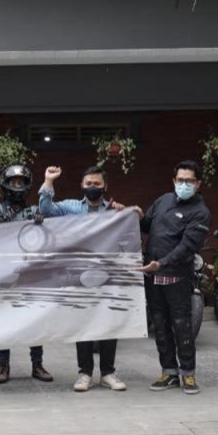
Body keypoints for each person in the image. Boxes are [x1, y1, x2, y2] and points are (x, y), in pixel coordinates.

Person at [40, 165, 137, 393]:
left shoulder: (114, 210)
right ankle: (84, 373)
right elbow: (45, 209)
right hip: (79, 275)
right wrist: (49, 181)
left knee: (109, 323)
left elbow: (127, 235)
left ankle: (108, 373)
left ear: (105, 186)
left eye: (97, 184)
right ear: (82, 185)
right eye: (88, 183)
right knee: (83, 324)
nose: (92, 187)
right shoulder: (70, 207)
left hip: (108, 275)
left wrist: (128, 214)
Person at [0, 159, 53, 385]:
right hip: (5, 273)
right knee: (4, 320)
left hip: (30, 273)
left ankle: (37, 364)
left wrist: (42, 222)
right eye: (13, 182)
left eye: (21, 182)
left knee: (34, 320)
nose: (17, 186)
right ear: (5, 184)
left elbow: (50, 236)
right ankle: (3, 364)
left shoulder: (35, 211)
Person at [137, 161, 211, 395]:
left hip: (177, 277)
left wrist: (162, 263)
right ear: (174, 181)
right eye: (180, 180)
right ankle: (168, 372)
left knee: (182, 326)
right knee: (160, 326)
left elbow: (187, 247)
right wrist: (137, 215)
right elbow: (146, 226)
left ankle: (188, 373)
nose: (184, 184)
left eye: (189, 181)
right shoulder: (163, 200)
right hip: (153, 275)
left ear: (198, 184)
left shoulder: (201, 212)